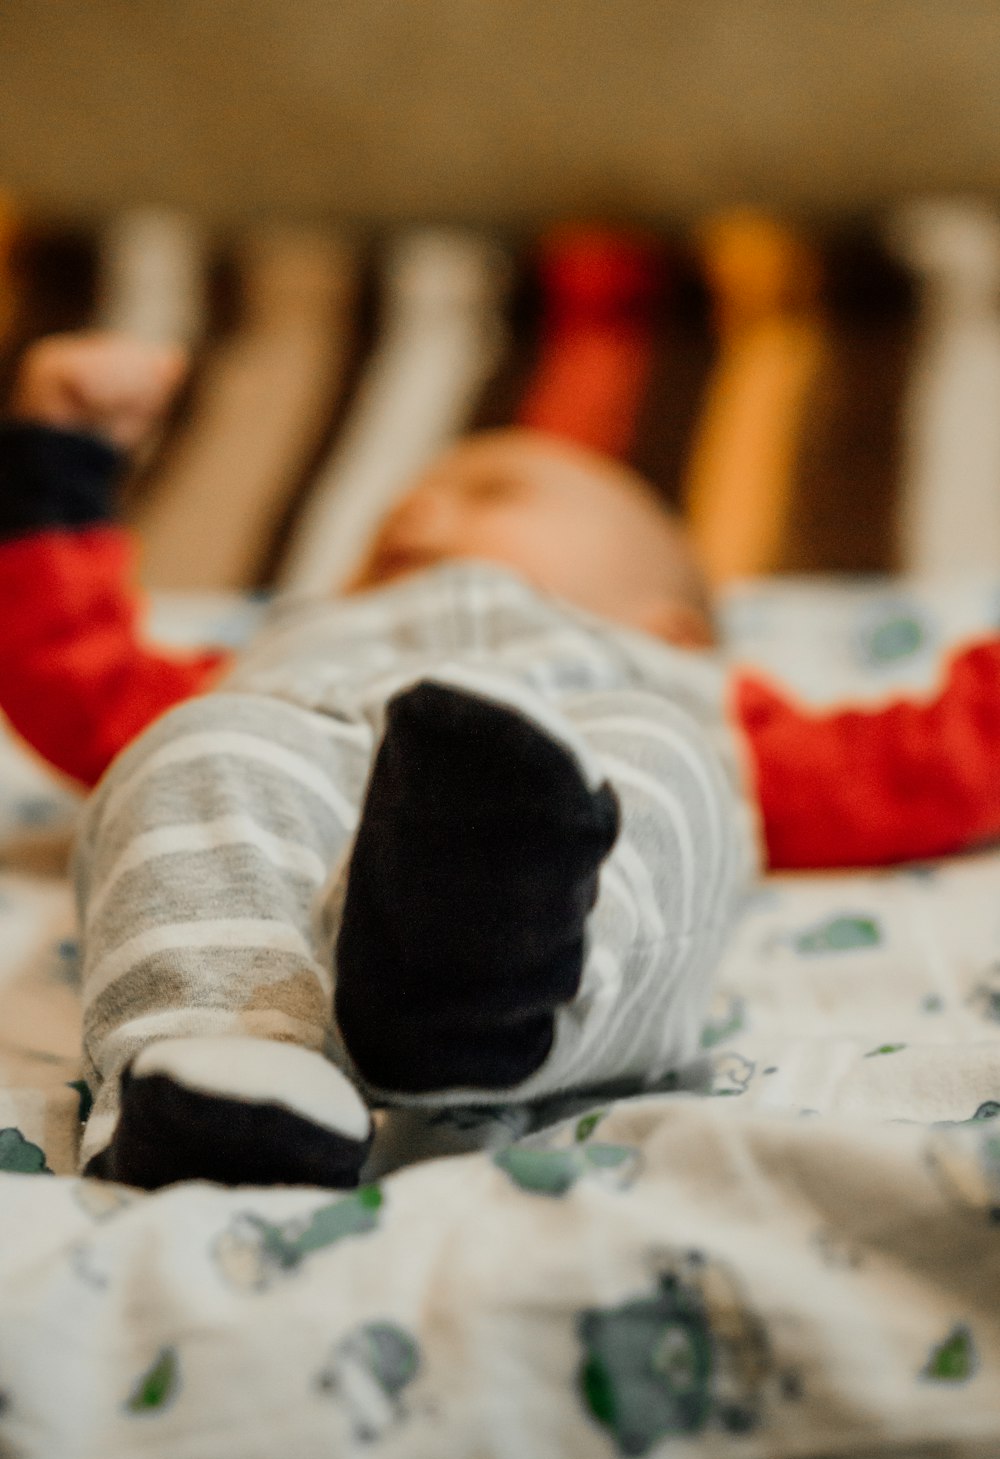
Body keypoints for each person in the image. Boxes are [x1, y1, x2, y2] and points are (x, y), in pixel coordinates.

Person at [2, 334, 1000, 1191]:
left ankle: (496, 968)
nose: (415, 515)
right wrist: (60, 462)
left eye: (490, 491)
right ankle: (220, 1069)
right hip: (302, 742)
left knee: (664, 770)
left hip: (578, 788)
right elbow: (70, 668)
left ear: (675, 626)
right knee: (194, 745)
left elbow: (936, 757)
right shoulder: (265, 654)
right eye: (394, 511)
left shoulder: (692, 689)